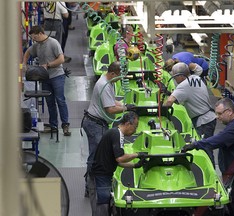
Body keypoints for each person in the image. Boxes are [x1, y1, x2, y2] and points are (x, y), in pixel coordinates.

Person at [181, 97, 234, 216]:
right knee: (233, 207)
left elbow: (216, 140)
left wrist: (194, 145)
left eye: (220, 113)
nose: (217, 117)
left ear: (229, 111)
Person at [81, 61, 135, 197]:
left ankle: (97, 184)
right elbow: (110, 108)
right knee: (95, 157)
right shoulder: (103, 86)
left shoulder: (108, 82)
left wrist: (124, 104)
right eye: (118, 76)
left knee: (100, 155)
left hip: (99, 123)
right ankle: (91, 188)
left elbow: (112, 101)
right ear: (112, 73)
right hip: (95, 124)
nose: (120, 80)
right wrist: (126, 108)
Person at [87, 111, 145, 216]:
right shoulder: (116, 134)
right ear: (128, 124)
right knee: (101, 209)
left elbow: (116, 162)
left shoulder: (115, 133)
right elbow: (120, 158)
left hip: (102, 176)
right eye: (135, 127)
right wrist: (137, 154)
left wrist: (135, 165)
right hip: (100, 178)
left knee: (104, 207)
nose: (135, 130)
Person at [163, 62, 216, 164]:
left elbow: (169, 102)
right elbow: (188, 95)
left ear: (181, 76)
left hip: (203, 121)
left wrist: (159, 111)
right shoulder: (196, 78)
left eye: (175, 77)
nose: (174, 80)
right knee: (206, 147)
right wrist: (170, 93)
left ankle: (212, 175)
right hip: (209, 118)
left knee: (205, 150)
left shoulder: (184, 85)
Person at [22, 25, 71, 136]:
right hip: (45, 78)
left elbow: (61, 59)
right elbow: (27, 52)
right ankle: (53, 126)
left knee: (60, 100)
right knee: (50, 103)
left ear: (40, 33)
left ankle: (65, 125)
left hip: (57, 76)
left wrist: (48, 65)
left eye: (34, 37)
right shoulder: (37, 45)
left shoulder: (53, 43)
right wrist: (24, 63)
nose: (33, 40)